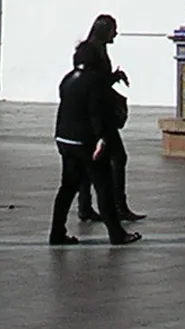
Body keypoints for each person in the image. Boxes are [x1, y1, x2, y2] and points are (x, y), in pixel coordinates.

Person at [50, 41, 141, 246]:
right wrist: (102, 138)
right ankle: (117, 233)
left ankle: (56, 232)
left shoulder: (67, 79)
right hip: (86, 142)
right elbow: (96, 113)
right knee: (104, 187)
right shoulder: (93, 82)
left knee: (67, 188)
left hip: (65, 139)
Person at [77, 13, 143, 225]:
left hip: (95, 112)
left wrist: (114, 77)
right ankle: (117, 206)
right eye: (113, 29)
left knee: (91, 161)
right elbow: (94, 83)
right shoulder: (91, 51)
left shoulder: (97, 49)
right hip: (98, 115)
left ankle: (86, 207)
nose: (116, 33)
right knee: (117, 157)